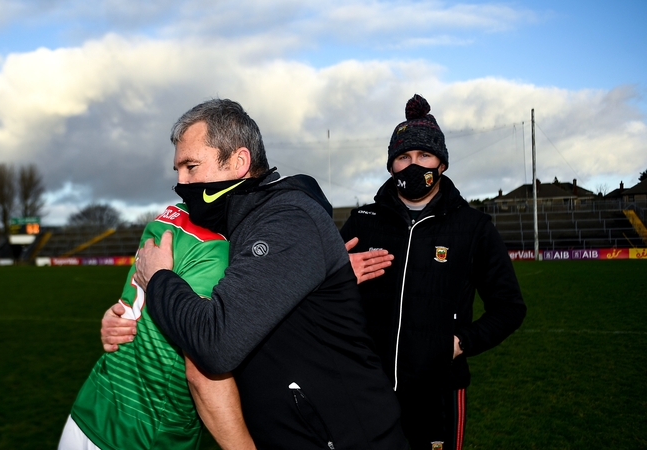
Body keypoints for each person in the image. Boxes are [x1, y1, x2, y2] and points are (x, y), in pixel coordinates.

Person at [128, 99, 407, 449]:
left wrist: (158, 279)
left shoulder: (286, 218)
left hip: (344, 437)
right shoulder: (241, 224)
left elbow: (216, 343)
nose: (182, 182)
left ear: (240, 161)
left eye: (191, 166)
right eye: (178, 171)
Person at [339, 94, 527, 450]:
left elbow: (510, 308)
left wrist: (460, 344)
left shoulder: (473, 227)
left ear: (441, 164)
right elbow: (323, 298)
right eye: (403, 157)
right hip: (366, 389)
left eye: (424, 156)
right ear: (391, 166)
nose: (413, 165)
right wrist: (337, 274)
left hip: (437, 393)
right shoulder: (362, 222)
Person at [60, 203, 255, 450]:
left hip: (92, 405)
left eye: (190, 167)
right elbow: (202, 372)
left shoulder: (169, 217)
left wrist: (117, 315)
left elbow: (134, 303)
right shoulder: (215, 246)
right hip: (144, 432)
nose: (181, 182)